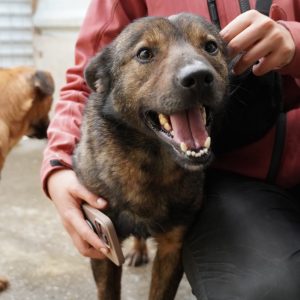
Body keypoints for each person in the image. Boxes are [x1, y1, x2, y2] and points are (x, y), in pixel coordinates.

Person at [41, 0, 300, 299]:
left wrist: (294, 40)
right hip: (236, 181)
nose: (196, 68)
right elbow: (83, 85)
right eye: (146, 53)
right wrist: (57, 167)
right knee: (266, 291)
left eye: (210, 48)